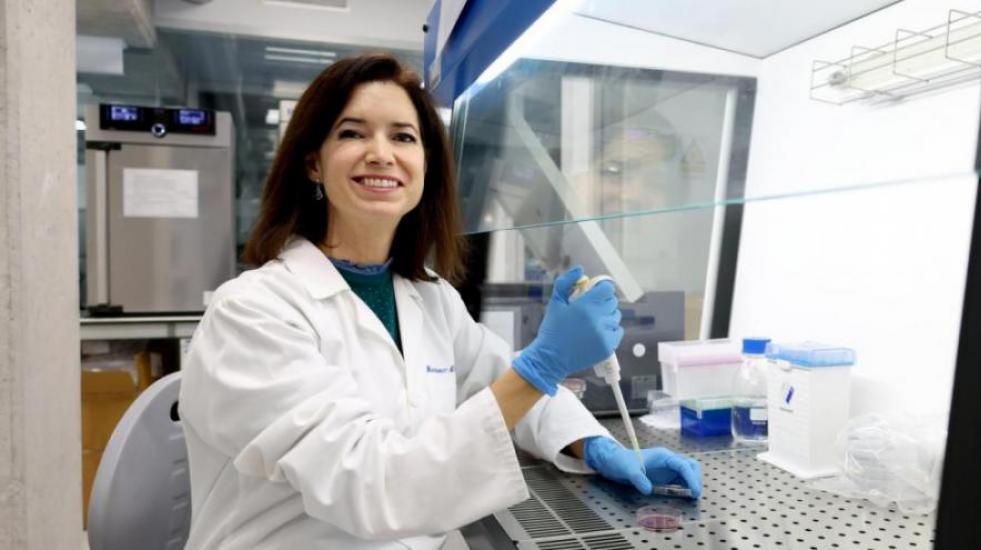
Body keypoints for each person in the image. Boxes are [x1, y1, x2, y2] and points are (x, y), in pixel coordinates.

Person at [178, 52, 702, 550]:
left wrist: (595, 445)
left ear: (425, 165)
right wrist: (545, 364)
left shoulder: (429, 297)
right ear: (314, 163)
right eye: (353, 133)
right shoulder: (251, 313)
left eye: (403, 137)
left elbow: (507, 389)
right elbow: (373, 482)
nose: (381, 152)